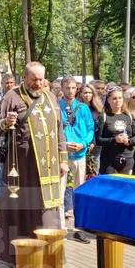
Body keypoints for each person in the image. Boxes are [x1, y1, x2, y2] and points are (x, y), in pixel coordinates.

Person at [0, 62, 68, 268]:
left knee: (47, 212)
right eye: (34, 79)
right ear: (24, 77)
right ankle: (20, 258)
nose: (38, 83)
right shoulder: (12, 97)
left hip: (49, 169)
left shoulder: (51, 97)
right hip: (22, 168)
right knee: (22, 212)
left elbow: (60, 130)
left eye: (41, 79)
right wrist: (6, 122)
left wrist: (63, 159)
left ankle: (49, 256)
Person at [59, 76, 94, 242]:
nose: (70, 91)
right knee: (59, 190)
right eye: (67, 87)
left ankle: (79, 228)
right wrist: (62, 144)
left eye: (73, 88)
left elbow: (90, 129)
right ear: (62, 88)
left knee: (79, 191)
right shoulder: (55, 106)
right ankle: (59, 228)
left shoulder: (83, 109)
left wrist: (83, 143)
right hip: (62, 155)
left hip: (79, 154)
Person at [96, 87, 135, 174]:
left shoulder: (129, 116)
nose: (118, 100)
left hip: (127, 158)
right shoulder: (104, 116)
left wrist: (128, 141)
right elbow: (98, 140)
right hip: (109, 159)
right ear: (108, 100)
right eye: (114, 98)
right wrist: (115, 140)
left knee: (125, 186)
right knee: (110, 187)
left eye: (120, 98)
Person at [0, 73, 16, 200]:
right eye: (7, 83)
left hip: (14, 136)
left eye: (11, 83)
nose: (9, 85)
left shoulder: (18, 97)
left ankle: (13, 196)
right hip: (1, 135)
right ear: (2, 84)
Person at [79, 83, 103, 174]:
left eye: (90, 92)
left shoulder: (98, 110)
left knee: (94, 170)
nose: (87, 95)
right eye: (85, 93)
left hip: (96, 145)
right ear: (81, 94)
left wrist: (93, 142)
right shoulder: (78, 108)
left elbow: (99, 129)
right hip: (81, 143)